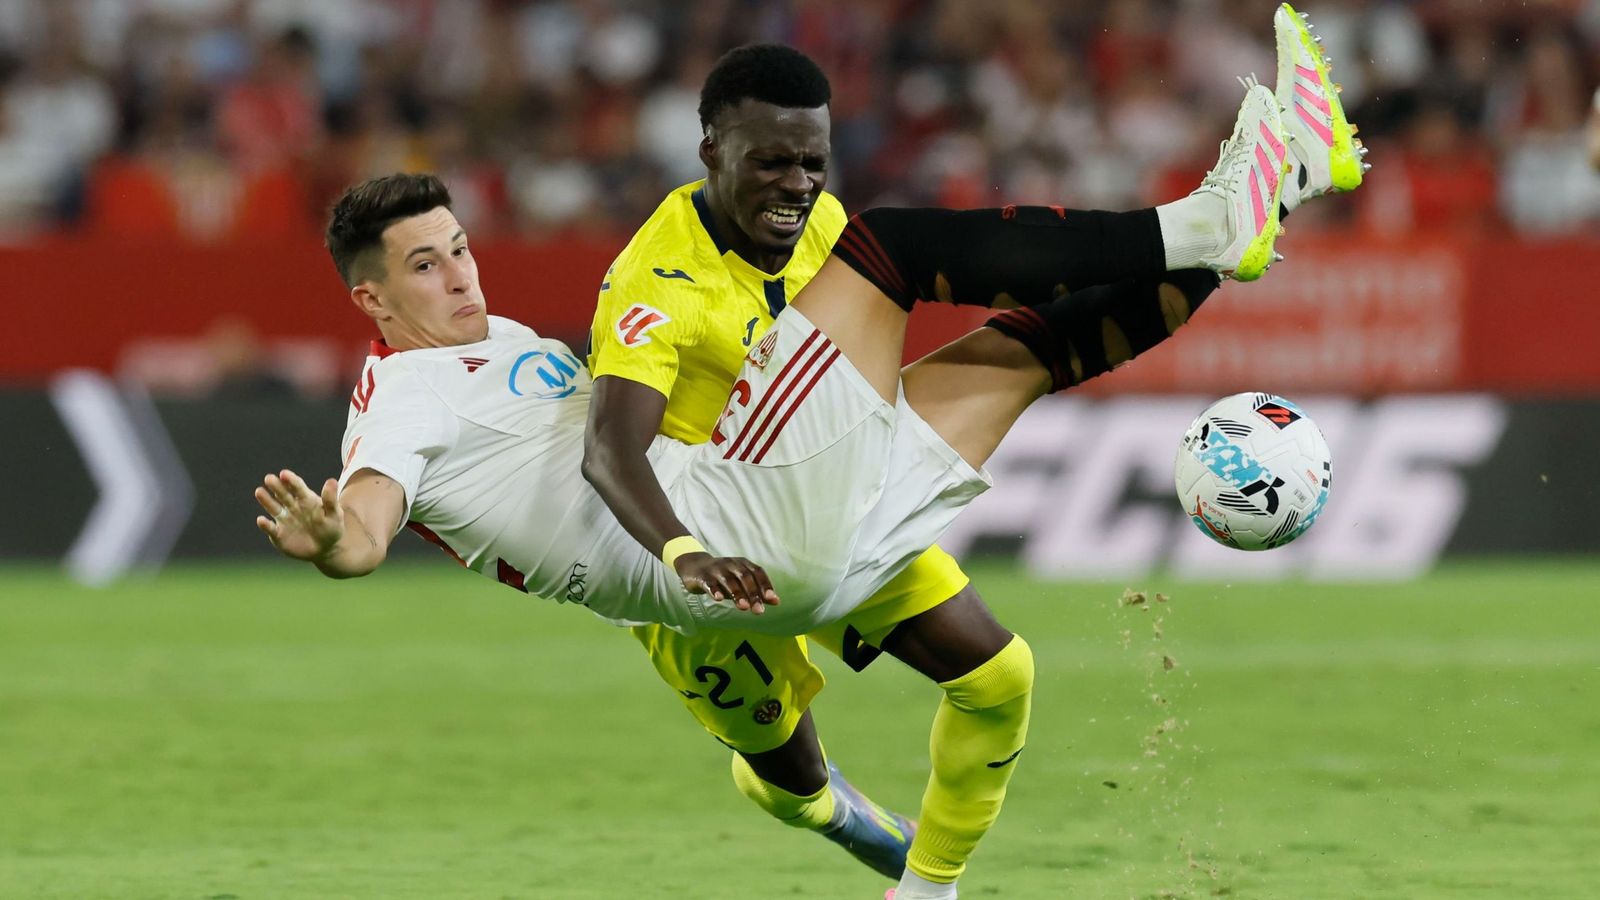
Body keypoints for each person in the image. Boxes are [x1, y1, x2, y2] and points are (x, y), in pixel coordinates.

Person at [255, 11, 1362, 898]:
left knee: (1023, 370)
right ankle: (1211, 222)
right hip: (719, 534)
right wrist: (335, 541)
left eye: (458, 250)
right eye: (425, 268)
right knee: (898, 249)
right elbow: (399, 510)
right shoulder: (401, 399)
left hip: (780, 519)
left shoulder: (487, 342)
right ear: (371, 298)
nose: (461, 277)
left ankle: (1270, 197)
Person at [582, 42, 1012, 888]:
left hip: (822, 511)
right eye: (769, 162)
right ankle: (839, 813)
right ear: (711, 151)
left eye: (812, 161)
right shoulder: (654, 282)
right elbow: (609, 450)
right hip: (708, 558)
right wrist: (682, 554)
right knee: (793, 784)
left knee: (999, 672)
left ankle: (930, 882)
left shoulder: (824, 222)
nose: (797, 185)